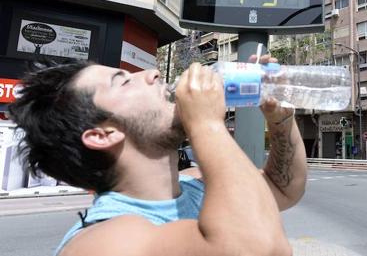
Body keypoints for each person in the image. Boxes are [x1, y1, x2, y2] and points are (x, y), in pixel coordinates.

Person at [8, 55, 305, 256]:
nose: (153, 73)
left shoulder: (194, 186)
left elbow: (281, 188)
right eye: (124, 81)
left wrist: (280, 120)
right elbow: (259, 247)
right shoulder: (100, 242)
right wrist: (206, 123)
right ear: (103, 135)